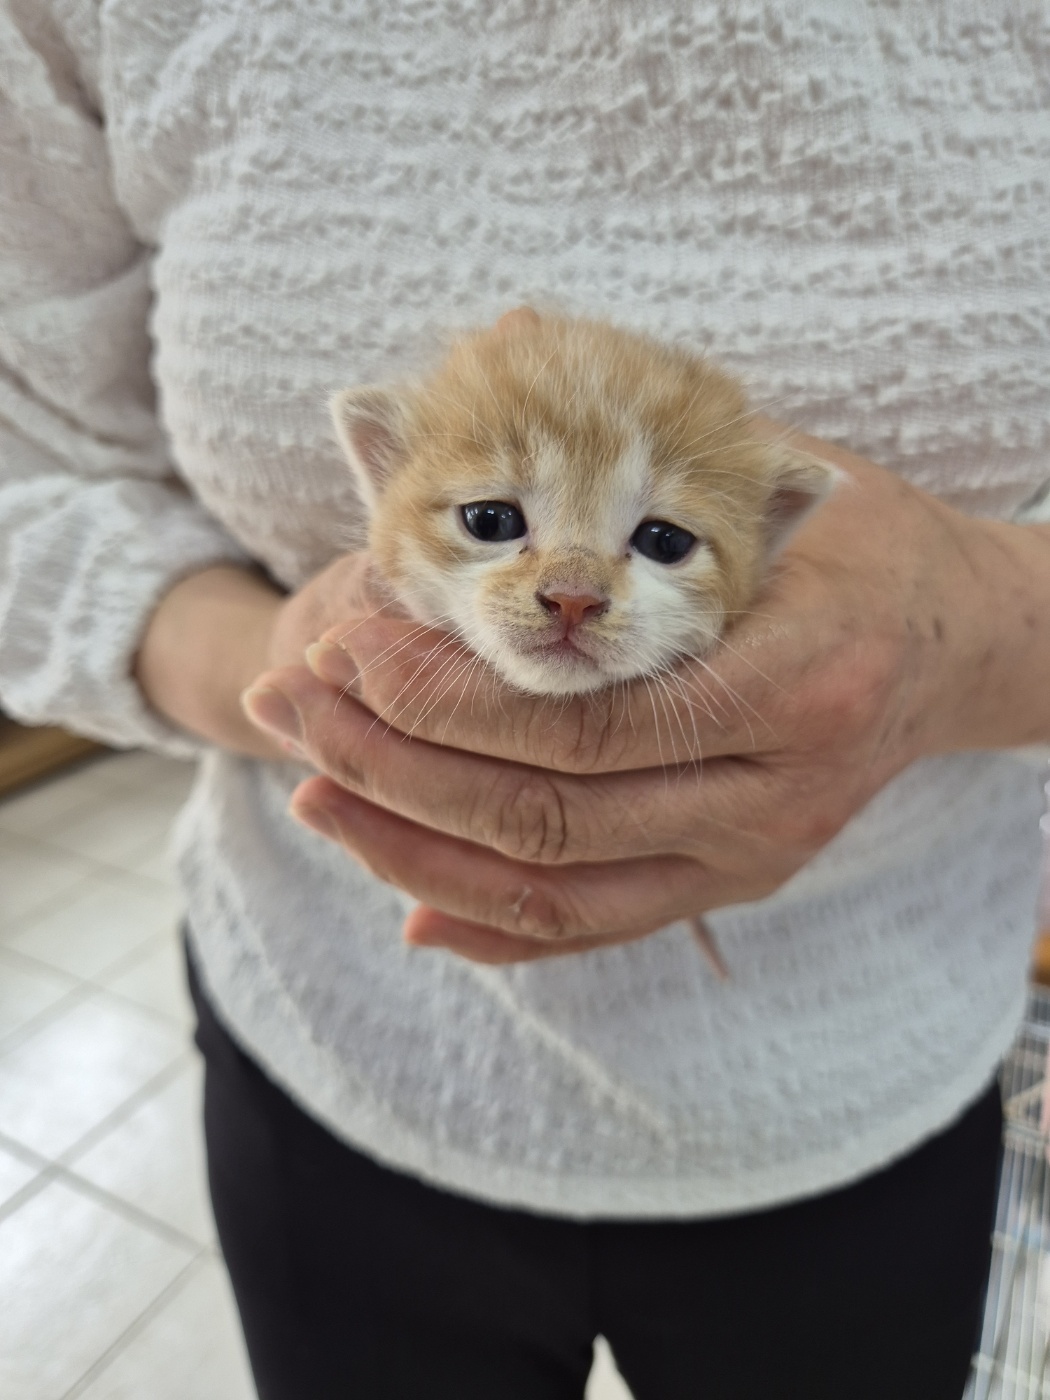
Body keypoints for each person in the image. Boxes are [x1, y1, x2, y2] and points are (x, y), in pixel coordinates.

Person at [2, 4, 1048, 1397]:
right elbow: (27, 484)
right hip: (333, 1057)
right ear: (380, 476)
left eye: (659, 544)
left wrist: (968, 627)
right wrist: (276, 666)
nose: (569, 595)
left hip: (875, 1091)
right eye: (494, 520)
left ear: (773, 532)